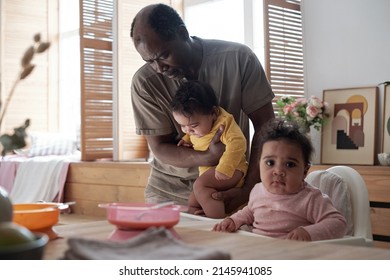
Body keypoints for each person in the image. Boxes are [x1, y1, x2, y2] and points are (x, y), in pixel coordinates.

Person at [130, 4, 275, 212]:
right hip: (169, 191)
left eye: (163, 56)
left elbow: (266, 126)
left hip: (230, 182)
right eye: (149, 61)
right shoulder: (144, 82)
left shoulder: (238, 58)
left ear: (182, 33)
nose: (159, 68)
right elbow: (159, 147)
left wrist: (249, 189)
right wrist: (208, 156)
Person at [213, 118, 347, 241]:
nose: (278, 171)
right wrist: (233, 220)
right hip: (260, 249)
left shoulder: (310, 199)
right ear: (259, 164)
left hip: (291, 255)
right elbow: (249, 211)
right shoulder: (258, 190)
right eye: (270, 163)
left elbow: (338, 223)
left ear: (304, 171)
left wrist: (308, 232)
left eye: (290, 164)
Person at [170, 80, 248, 218]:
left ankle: (218, 221)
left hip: (233, 169)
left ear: (213, 113)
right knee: (193, 200)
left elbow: (238, 142)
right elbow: (191, 132)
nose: (188, 130)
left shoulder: (224, 123)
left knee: (200, 186)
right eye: (183, 126)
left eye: (193, 125)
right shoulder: (195, 127)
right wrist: (186, 139)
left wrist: (225, 167)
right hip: (211, 172)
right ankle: (202, 216)